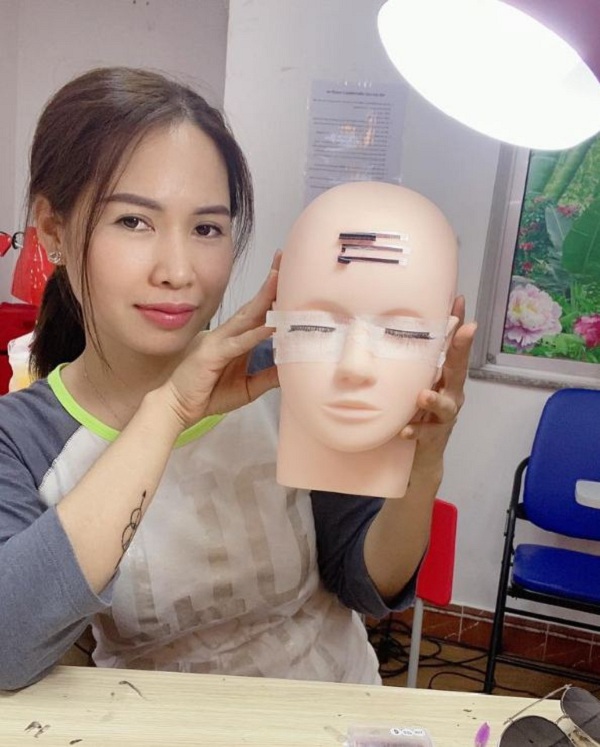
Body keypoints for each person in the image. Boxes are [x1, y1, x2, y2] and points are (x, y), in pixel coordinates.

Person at [0, 67, 476, 691]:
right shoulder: (22, 437)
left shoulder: (284, 378)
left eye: (206, 228)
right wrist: (169, 409)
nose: (178, 271)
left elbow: (365, 581)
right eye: (134, 222)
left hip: (332, 711)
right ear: (53, 231)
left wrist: (423, 466)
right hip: (161, 726)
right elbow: (8, 647)